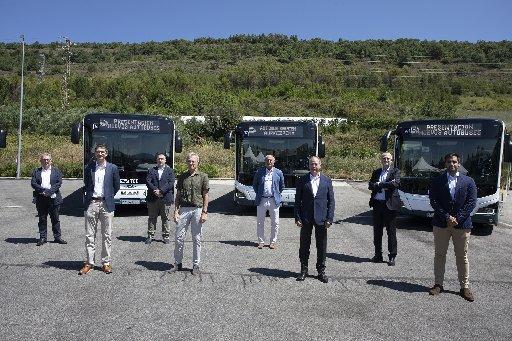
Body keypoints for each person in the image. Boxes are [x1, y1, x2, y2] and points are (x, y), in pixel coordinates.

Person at [428, 153, 477, 302]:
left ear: (459, 164)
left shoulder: (468, 181)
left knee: (462, 257)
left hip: (462, 225)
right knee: (440, 255)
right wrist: (446, 216)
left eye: (454, 162)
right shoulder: (437, 181)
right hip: (441, 224)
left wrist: (458, 218)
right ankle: (438, 284)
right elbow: (434, 201)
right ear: (445, 164)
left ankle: (465, 287)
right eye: (449, 162)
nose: (452, 164)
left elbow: (471, 202)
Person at [79, 144, 120, 275]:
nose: (100, 154)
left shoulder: (112, 168)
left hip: (106, 204)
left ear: (106, 154)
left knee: (107, 235)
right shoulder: (89, 167)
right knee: (89, 235)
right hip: (91, 203)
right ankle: (89, 262)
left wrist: (107, 197)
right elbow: (87, 184)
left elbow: (116, 186)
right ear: (95, 154)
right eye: (98, 152)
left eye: (102, 152)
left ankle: (106, 262)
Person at [294, 156, 335, 283]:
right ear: (309, 166)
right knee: (304, 245)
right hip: (306, 218)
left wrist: (329, 218)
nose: (314, 166)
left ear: (320, 165)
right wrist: (297, 216)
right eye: (312, 164)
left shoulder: (327, 181)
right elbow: (297, 201)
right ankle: (303, 270)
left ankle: (321, 271)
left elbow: (331, 201)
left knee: (321, 246)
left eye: (316, 164)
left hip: (321, 219)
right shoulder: (302, 180)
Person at [170, 152, 209, 275]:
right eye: (189, 161)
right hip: (184, 209)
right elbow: (178, 196)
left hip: (197, 209)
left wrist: (204, 212)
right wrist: (176, 211)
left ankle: (196, 265)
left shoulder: (203, 176)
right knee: (179, 237)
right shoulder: (182, 177)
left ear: (197, 162)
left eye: (193, 161)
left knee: (196, 238)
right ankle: (178, 263)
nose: (191, 163)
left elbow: (205, 195)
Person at [368, 152, 401, 266]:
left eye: (388, 158)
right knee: (377, 232)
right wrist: (385, 184)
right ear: (381, 160)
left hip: (390, 206)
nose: (385, 160)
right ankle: (378, 255)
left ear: (391, 160)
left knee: (391, 231)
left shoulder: (395, 171)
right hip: (377, 204)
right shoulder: (376, 172)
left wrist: (379, 184)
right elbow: (370, 185)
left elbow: (395, 184)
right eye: (383, 158)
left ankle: (392, 256)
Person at [30, 153, 67, 246]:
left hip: (54, 198)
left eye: (47, 159)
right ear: (40, 161)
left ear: (51, 161)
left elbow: (59, 183)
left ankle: (57, 237)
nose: (46, 161)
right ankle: (43, 238)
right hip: (41, 198)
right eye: (44, 159)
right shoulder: (36, 171)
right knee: (42, 219)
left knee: (55, 219)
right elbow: (33, 183)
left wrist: (49, 192)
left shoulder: (56, 171)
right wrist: (43, 191)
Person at [252, 154, 285, 249]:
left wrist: (277, 194)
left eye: (271, 160)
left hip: (274, 200)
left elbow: (282, 186)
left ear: (274, 162)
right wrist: (259, 194)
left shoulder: (279, 172)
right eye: (267, 160)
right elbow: (255, 185)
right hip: (261, 200)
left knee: (275, 222)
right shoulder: (259, 172)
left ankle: (273, 242)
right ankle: (261, 242)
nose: (269, 161)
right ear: (265, 162)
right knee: (260, 222)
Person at [145, 153, 176, 244]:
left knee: (165, 218)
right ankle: (150, 235)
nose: (160, 160)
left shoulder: (170, 171)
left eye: (162, 159)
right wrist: (155, 190)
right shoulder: (151, 170)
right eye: (159, 158)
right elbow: (148, 181)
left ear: (165, 160)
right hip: (152, 198)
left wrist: (161, 191)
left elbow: (171, 183)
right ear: (156, 160)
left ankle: (166, 236)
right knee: (152, 217)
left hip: (165, 198)